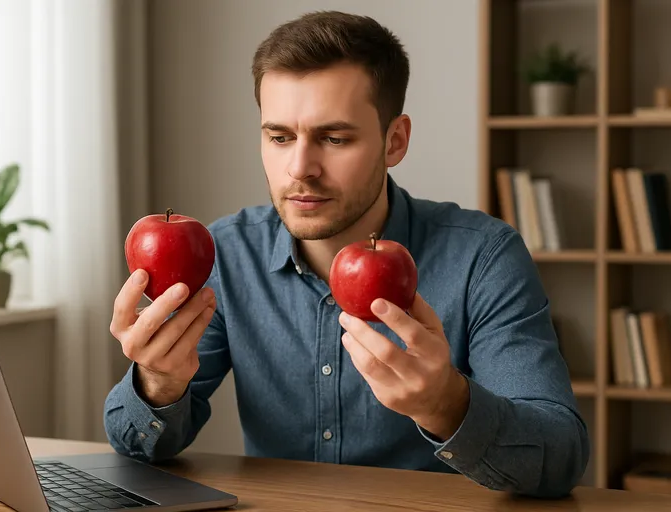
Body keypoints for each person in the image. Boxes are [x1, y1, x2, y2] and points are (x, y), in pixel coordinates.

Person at [104, 10, 589, 498]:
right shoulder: (227, 254)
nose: (300, 168)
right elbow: (140, 449)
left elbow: (560, 456)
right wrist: (158, 384)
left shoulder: (483, 257)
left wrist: (446, 404)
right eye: (279, 137)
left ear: (394, 141)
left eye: (334, 139)